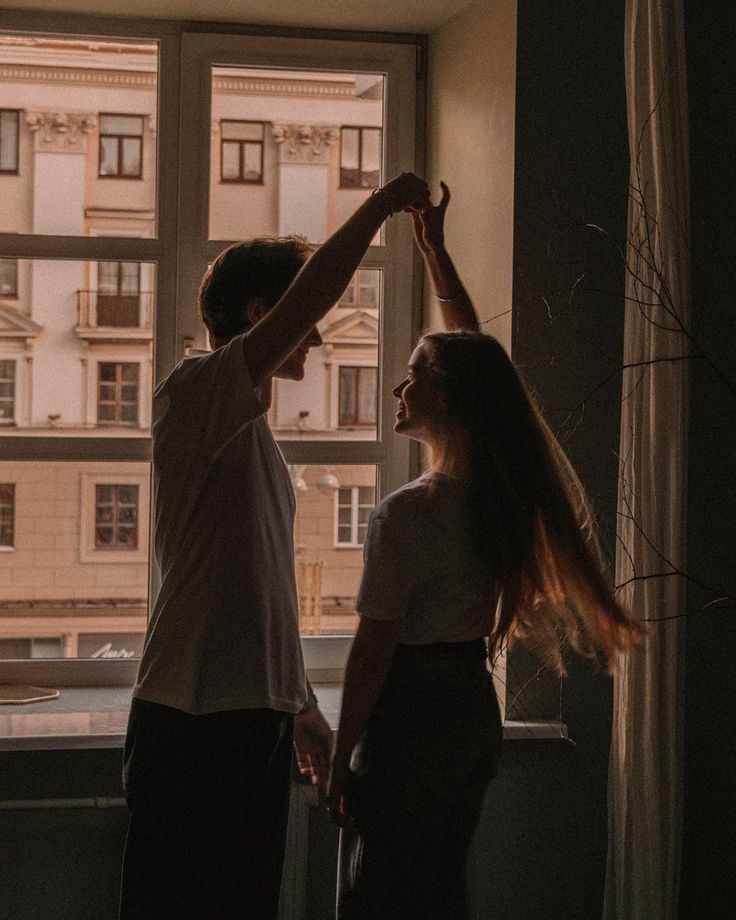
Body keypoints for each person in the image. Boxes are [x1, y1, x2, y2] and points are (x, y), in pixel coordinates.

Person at [118, 171, 430, 920]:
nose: (318, 335)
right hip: (189, 720)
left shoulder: (250, 434)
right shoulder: (194, 391)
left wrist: (299, 702)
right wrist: (383, 206)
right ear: (262, 314)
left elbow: (260, 589)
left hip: (243, 718)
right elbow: (314, 296)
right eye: (298, 317)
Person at [327, 183, 644, 920]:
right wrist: (435, 253)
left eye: (417, 376)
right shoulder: (504, 500)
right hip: (470, 706)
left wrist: (342, 757)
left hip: (410, 713)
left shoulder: (407, 515)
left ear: (451, 399)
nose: (401, 387)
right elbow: (479, 367)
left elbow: (372, 652)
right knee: (441, 887)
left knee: (382, 895)